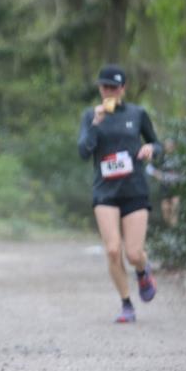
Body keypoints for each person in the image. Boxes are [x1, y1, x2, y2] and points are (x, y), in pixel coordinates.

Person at [77, 64, 161, 323]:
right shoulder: (91, 115)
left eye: (113, 87)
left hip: (134, 189)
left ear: (123, 88)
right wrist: (95, 122)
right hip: (105, 192)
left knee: (133, 253)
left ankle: (142, 269)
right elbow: (83, 151)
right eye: (104, 87)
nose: (108, 92)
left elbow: (155, 142)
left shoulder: (137, 114)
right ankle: (126, 303)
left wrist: (151, 150)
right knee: (113, 250)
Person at [146, 138, 183, 227]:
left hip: (176, 185)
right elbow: (149, 168)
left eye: (171, 145)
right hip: (164, 185)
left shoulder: (180, 157)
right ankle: (169, 226)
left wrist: (181, 176)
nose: (169, 147)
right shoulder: (160, 157)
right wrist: (157, 174)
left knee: (175, 206)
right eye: (167, 145)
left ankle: (175, 227)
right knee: (165, 208)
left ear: (174, 147)